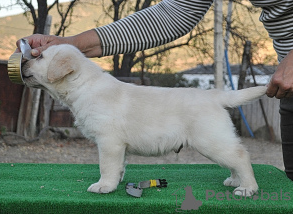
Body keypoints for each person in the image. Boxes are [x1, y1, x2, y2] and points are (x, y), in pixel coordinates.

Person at [15, 0, 293, 180]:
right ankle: (240, 172)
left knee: (214, 145)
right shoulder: (92, 90)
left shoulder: (92, 90)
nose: (32, 62)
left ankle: (244, 172)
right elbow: (174, 14)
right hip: (287, 78)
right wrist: (73, 42)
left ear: (62, 69)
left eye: (40, 59)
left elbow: (110, 142)